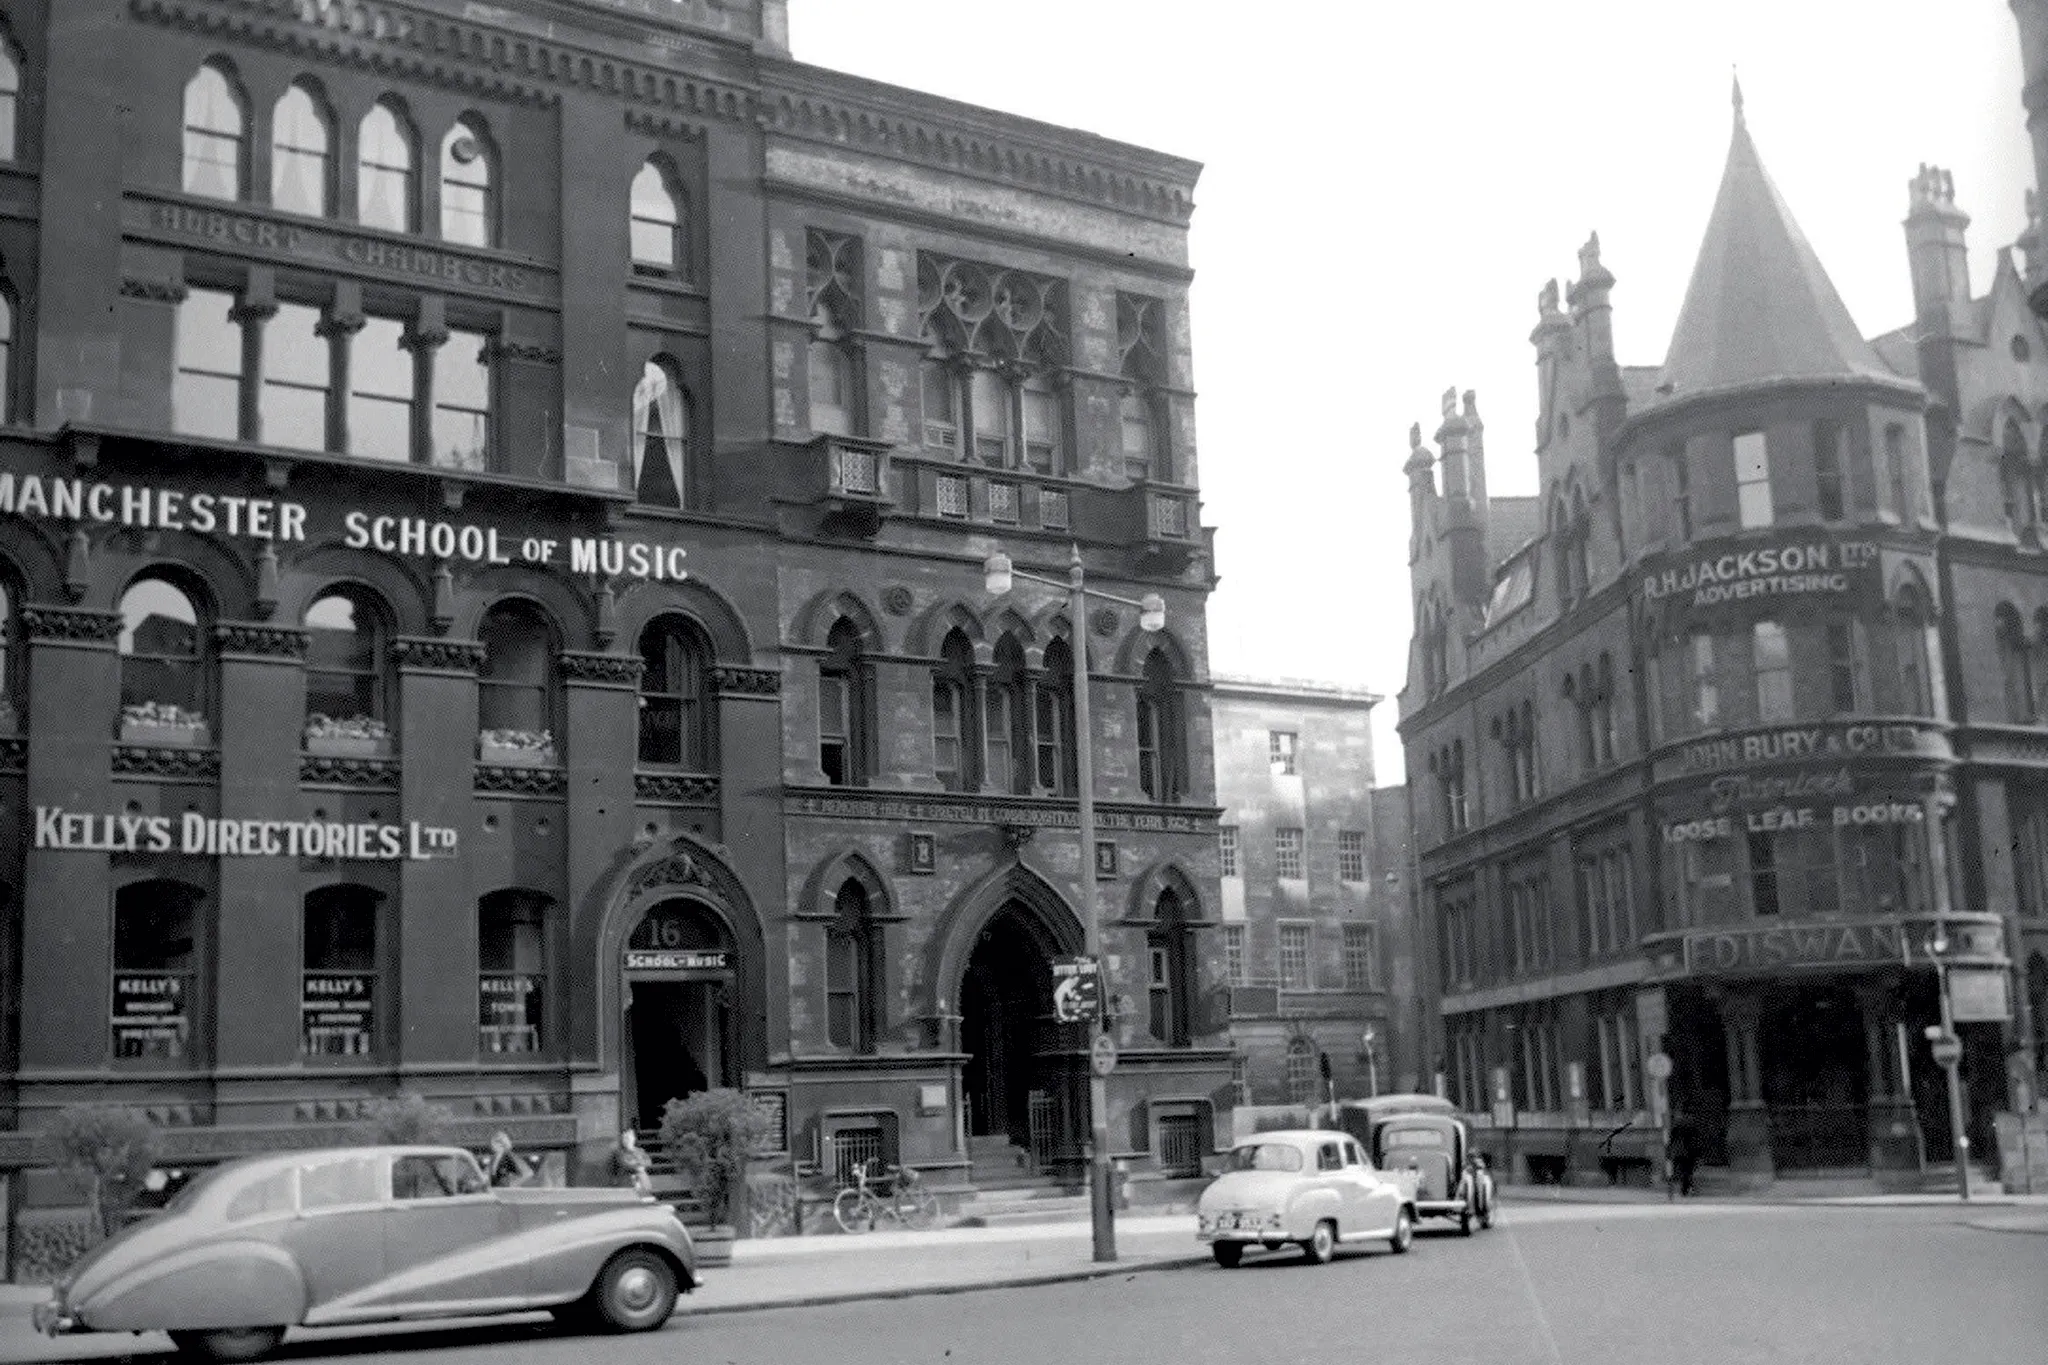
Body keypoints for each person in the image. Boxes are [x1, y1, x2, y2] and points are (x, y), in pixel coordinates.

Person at [610, 1130, 653, 1194]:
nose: (627, 1140)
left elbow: (648, 1161)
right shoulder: (619, 1153)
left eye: (628, 1137)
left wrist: (640, 1164)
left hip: (642, 1179)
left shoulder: (640, 1151)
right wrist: (638, 1165)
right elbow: (625, 1163)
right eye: (624, 1138)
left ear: (633, 1138)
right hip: (627, 1180)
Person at [1666, 1113, 1698, 1198]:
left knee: (1682, 1170)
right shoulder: (1692, 1125)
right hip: (1690, 1151)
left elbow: (1671, 1139)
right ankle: (1686, 1189)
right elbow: (1695, 1139)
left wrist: (1669, 1151)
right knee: (1688, 1171)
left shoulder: (1677, 1125)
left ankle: (1683, 1189)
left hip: (1679, 1151)